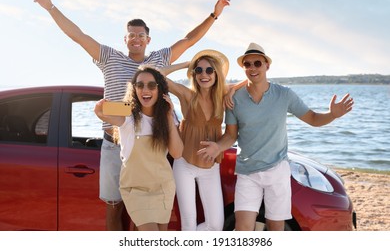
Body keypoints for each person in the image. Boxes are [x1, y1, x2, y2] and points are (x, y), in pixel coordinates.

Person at [31, 0, 230, 230]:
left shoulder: (158, 60)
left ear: (148, 39)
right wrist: (50, 6)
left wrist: (214, 15)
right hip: (116, 143)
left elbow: (188, 40)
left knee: (148, 213)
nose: (136, 39)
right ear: (125, 39)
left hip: (154, 143)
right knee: (114, 205)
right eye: (132, 35)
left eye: (141, 35)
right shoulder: (109, 57)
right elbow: (78, 35)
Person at [198, 42, 354, 231]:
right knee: (242, 229)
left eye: (257, 63)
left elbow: (312, 118)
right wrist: (218, 146)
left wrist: (332, 115)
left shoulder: (284, 94)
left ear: (267, 66)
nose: (252, 68)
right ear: (243, 68)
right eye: (247, 64)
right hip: (248, 172)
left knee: (275, 228)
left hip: (277, 171)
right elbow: (231, 135)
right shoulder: (234, 99)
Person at [160, 49, 244, 230]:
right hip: (185, 164)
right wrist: (187, 64)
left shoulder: (222, 96)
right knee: (189, 222)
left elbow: (251, 82)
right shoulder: (187, 95)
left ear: (216, 73)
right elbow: (158, 75)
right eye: (198, 70)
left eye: (208, 70)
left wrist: (232, 91)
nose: (203, 75)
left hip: (210, 166)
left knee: (216, 226)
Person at [94, 66, 183, 231]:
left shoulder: (166, 118)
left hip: (163, 187)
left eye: (151, 85)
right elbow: (103, 111)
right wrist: (103, 109)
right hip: (136, 189)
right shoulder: (127, 113)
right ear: (134, 88)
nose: (145, 89)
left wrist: (169, 117)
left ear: (160, 89)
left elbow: (177, 153)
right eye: (140, 85)